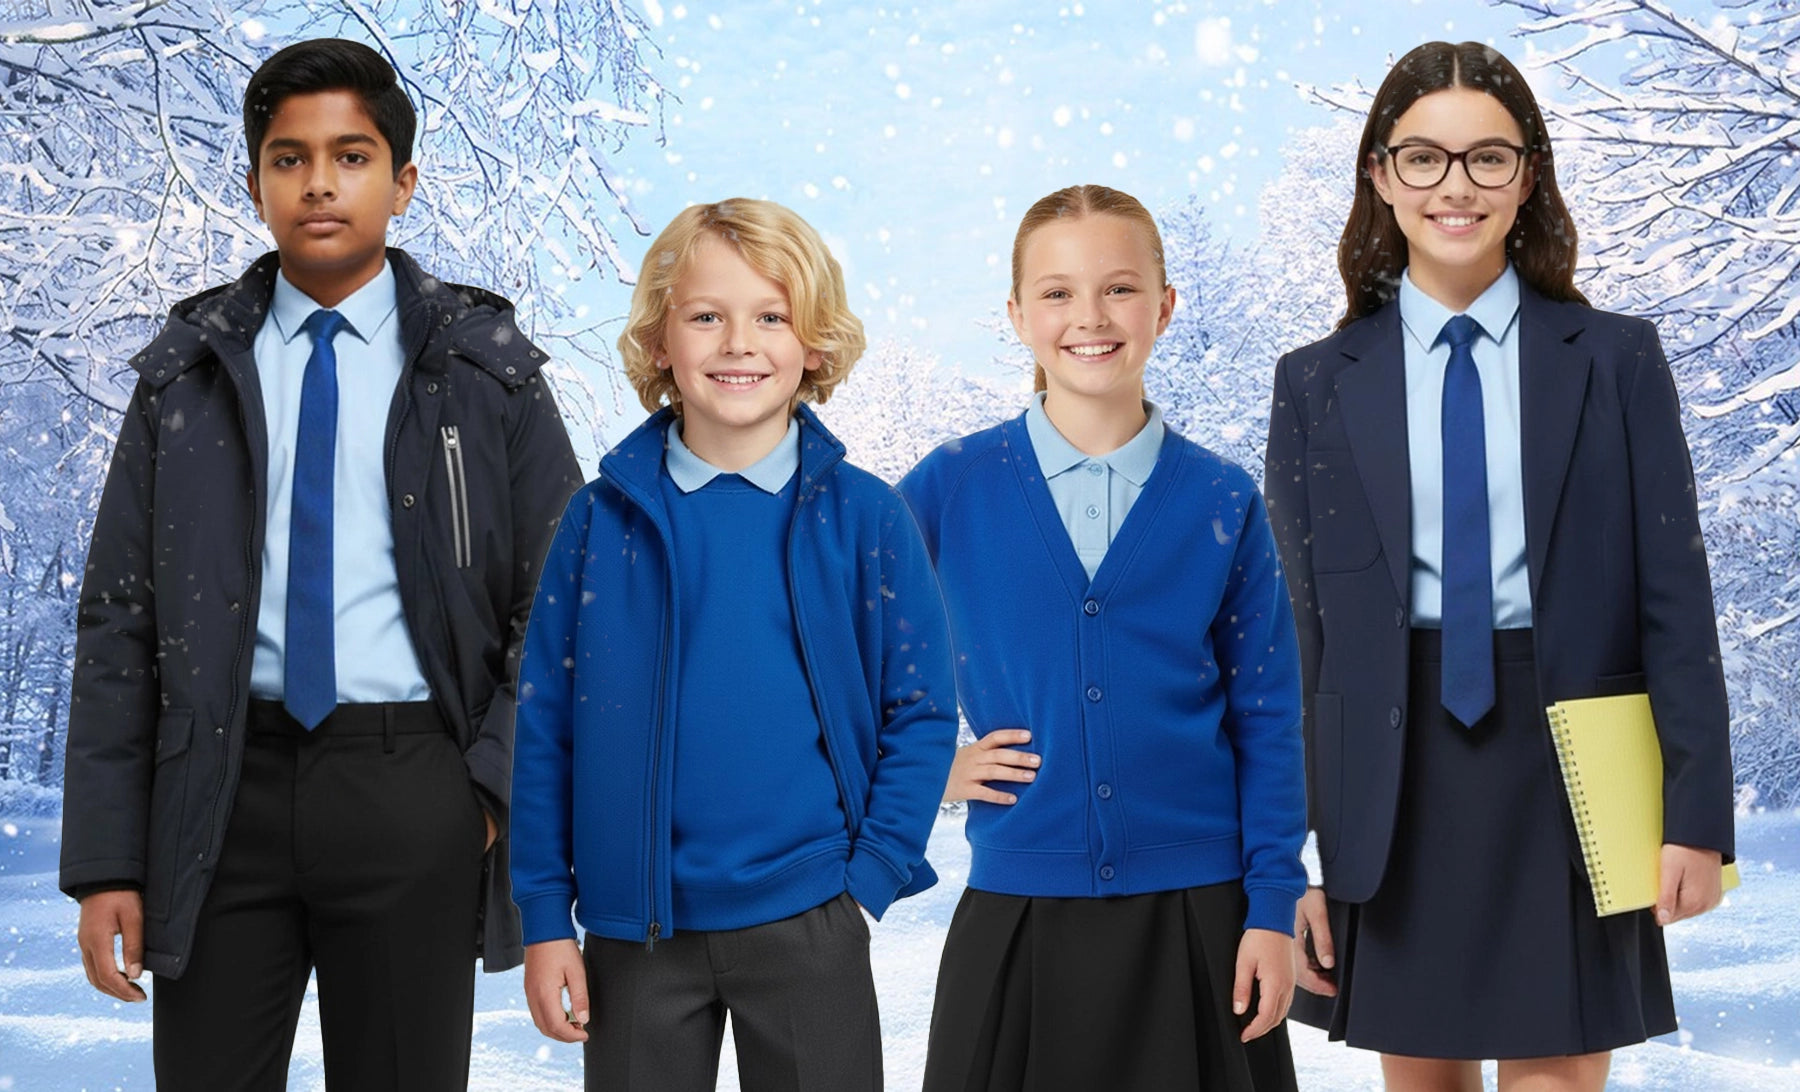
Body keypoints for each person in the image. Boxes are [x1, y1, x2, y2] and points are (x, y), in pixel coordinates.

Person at [58, 37, 582, 1090]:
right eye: (289, 159)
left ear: (404, 181)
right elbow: (119, 616)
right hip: (220, 790)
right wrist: (108, 862)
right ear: (256, 183)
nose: (320, 183)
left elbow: (567, 607)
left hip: (412, 791)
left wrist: (479, 795)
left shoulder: (487, 373)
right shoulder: (186, 376)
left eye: (351, 155)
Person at [1263, 40, 1736, 1092]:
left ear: (1529, 177)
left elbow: (1675, 592)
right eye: (1424, 159)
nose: (1456, 188)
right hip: (1387, 768)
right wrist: (1277, 852)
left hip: (1572, 756)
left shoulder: (1615, 358)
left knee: (1558, 1076)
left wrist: (1696, 816)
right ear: (1380, 177)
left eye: (1488, 158)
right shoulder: (1315, 385)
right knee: (1421, 1081)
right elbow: (1296, 630)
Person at [510, 197, 958, 1092]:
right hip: (635, 934)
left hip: (810, 920)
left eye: (771, 316)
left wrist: (866, 879)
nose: (737, 343)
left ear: (815, 344)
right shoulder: (599, 523)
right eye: (706, 316)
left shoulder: (868, 519)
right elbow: (546, 727)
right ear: (658, 343)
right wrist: (544, 919)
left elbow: (921, 712)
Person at [901, 184, 1306, 1092]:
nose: (1089, 317)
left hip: (1203, 917)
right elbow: (825, 654)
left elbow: (1270, 715)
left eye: (1119, 289)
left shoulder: (1221, 499)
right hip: (1018, 907)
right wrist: (929, 769)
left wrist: (1274, 905)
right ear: (1015, 316)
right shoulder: (948, 488)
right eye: (1055, 293)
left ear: (1164, 306)